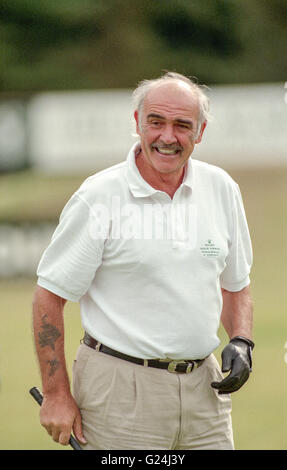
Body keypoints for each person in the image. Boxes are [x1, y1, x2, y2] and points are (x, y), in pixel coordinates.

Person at [32, 71, 254, 450]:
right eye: (156, 122)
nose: (168, 137)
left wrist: (242, 340)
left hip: (206, 392)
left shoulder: (222, 189)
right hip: (119, 393)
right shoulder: (98, 196)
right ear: (137, 123)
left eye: (182, 125)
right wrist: (56, 394)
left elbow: (235, 285)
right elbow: (49, 299)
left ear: (199, 133)